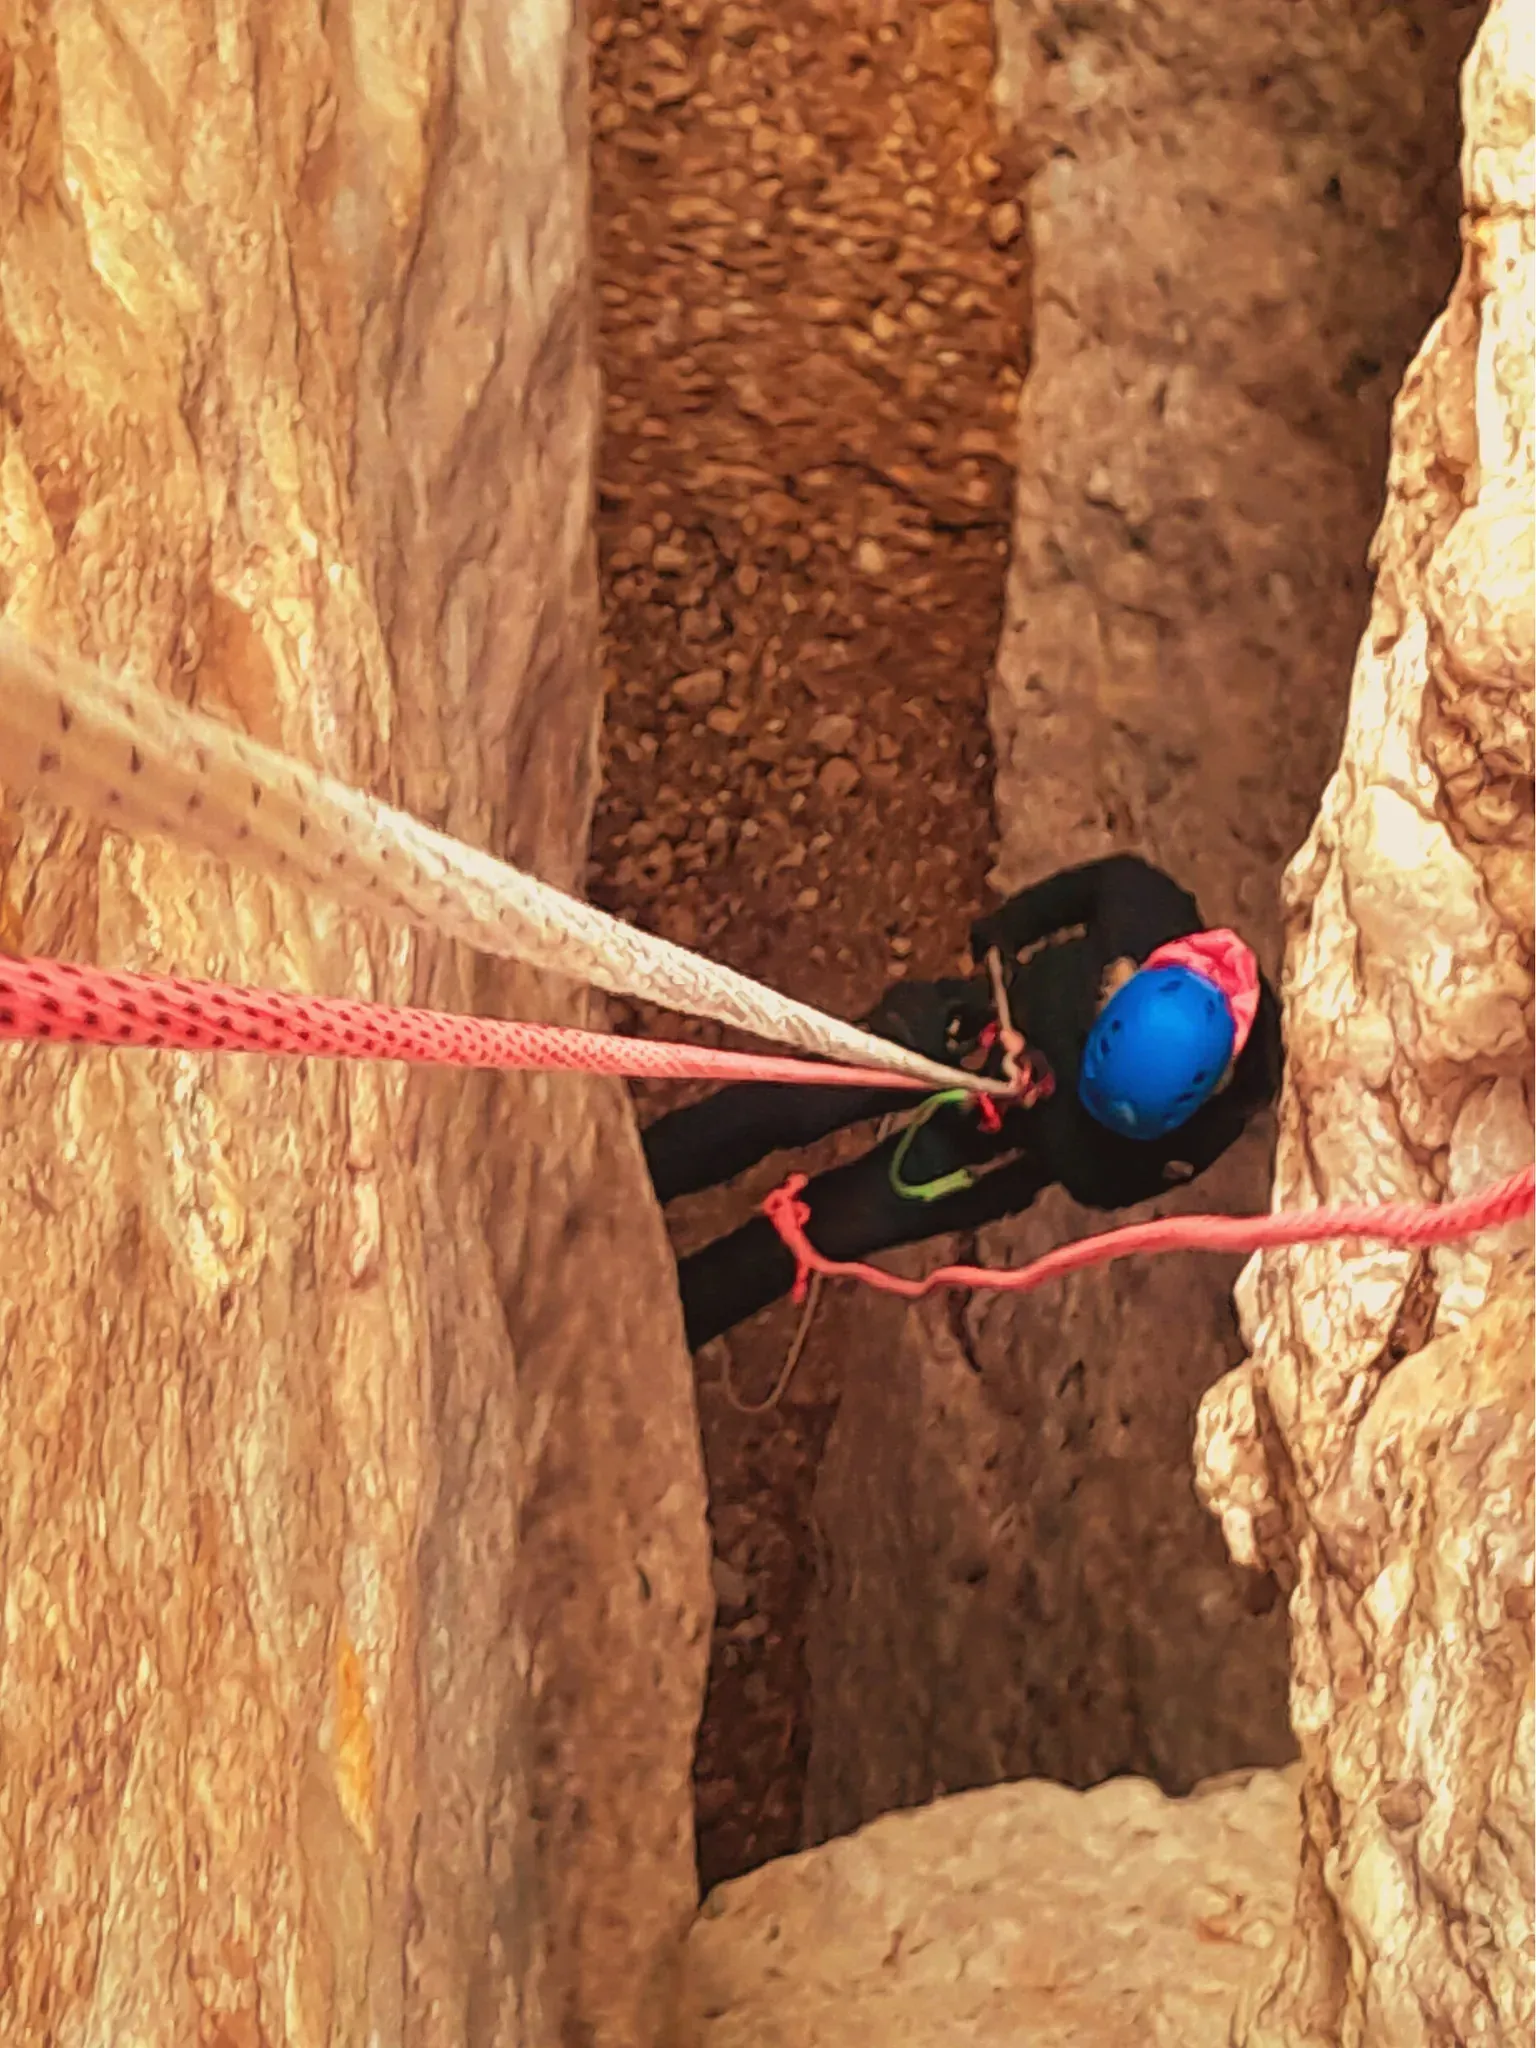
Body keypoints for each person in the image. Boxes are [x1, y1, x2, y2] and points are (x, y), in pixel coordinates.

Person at [643, 853, 1283, 1349]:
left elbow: (1097, 1180)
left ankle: (656, 1326)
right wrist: (1008, 931)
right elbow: (1101, 881)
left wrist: (1038, 1106)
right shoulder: (1142, 913)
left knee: (826, 1226)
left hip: (998, 1151)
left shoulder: (1223, 1097)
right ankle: (641, 1170)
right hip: (963, 1027)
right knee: (790, 1103)